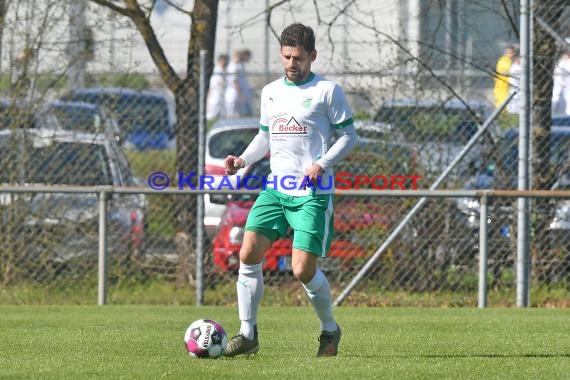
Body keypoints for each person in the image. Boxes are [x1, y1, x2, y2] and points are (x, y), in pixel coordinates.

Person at [222, 23, 358, 357]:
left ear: (312, 56)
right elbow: (265, 136)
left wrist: (321, 164)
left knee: (302, 270)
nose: (291, 63)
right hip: (275, 190)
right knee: (248, 252)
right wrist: (242, 160)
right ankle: (247, 333)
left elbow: (349, 136)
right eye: (286, 57)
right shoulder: (270, 91)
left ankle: (329, 330)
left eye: (298, 57)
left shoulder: (328, 91)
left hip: (312, 193)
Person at [225, 48, 254, 118]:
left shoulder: (240, 65)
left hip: (241, 94)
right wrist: (240, 94)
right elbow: (234, 81)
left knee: (244, 114)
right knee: (233, 115)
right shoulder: (233, 66)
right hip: (235, 94)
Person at [206, 54, 229, 121]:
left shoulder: (224, 71)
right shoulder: (217, 71)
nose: (226, 63)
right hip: (215, 96)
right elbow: (215, 84)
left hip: (222, 96)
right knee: (212, 114)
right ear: (221, 61)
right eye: (225, 61)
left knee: (221, 115)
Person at [552, 50, 570, 116]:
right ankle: (553, 111)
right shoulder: (560, 62)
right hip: (559, 81)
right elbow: (556, 72)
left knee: (568, 97)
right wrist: (559, 81)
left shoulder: (568, 62)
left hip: (567, 82)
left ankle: (568, 113)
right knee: (555, 96)